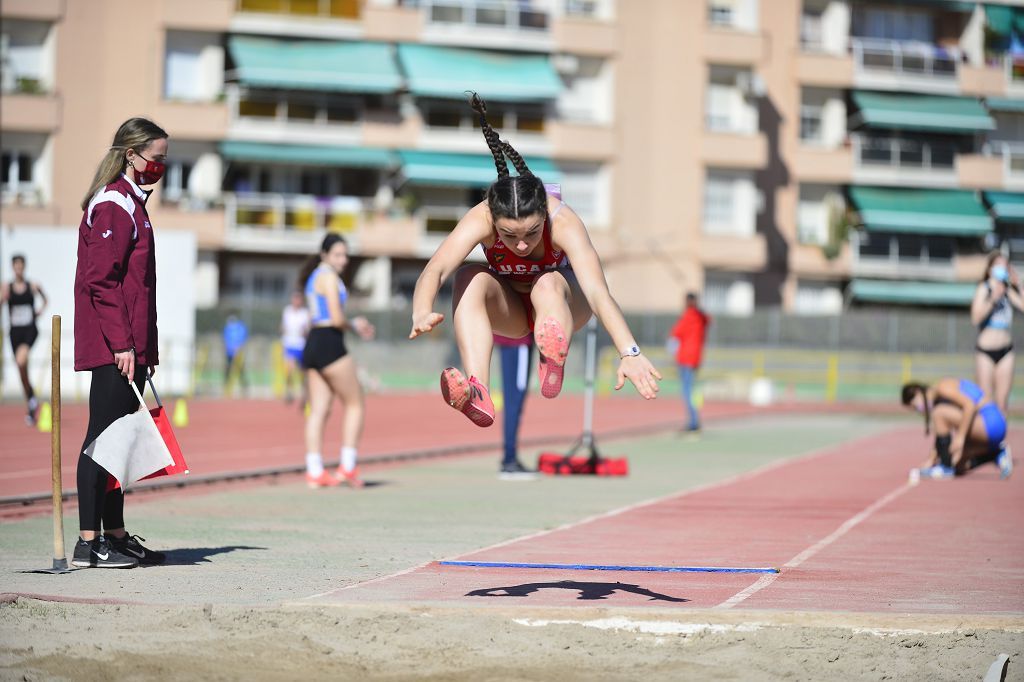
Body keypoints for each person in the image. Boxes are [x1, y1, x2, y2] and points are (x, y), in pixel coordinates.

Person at [408, 93, 661, 427]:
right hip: (512, 309)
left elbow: (598, 292)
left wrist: (630, 352)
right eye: (509, 236)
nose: (523, 245)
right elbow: (436, 268)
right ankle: (477, 389)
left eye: (532, 233)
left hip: (566, 306)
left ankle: (552, 357)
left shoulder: (564, 222)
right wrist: (422, 309)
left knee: (548, 282)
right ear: (494, 220)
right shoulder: (479, 218)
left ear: (544, 212)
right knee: (469, 275)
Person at [72, 117, 170, 568]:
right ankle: (89, 542)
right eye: (156, 158)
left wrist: (145, 345)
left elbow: (138, 288)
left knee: (123, 443)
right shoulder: (113, 203)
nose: (161, 167)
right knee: (102, 440)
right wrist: (123, 345)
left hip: (131, 346)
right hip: (114, 348)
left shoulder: (134, 203)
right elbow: (102, 282)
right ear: (131, 155)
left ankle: (115, 533)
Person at [299, 234, 375, 488]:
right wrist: (356, 324)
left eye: (345, 255)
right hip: (329, 341)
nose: (343, 260)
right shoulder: (329, 278)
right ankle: (348, 466)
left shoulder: (314, 278)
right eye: (337, 255)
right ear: (324, 255)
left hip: (313, 343)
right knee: (355, 403)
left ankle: (314, 470)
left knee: (319, 410)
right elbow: (336, 317)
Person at [900, 378, 1012, 480]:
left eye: (915, 406)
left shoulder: (942, 387)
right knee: (958, 465)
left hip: (992, 422)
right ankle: (995, 453)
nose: (918, 411)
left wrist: (960, 437)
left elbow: (970, 405)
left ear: (918, 393)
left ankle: (945, 467)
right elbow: (941, 437)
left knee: (939, 413)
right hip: (985, 428)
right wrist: (931, 459)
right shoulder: (939, 401)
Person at [971, 252, 1023, 417]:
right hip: (985, 352)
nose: (1003, 267)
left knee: (1002, 404)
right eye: (999, 264)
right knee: (986, 403)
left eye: (1005, 265)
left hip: (1006, 351)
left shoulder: (1008, 291)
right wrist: (993, 299)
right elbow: (975, 318)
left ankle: (999, 442)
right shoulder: (984, 288)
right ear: (990, 268)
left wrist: (1019, 284)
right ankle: (986, 441)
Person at [2, 254, 47, 425]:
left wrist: (40, 311)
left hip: (29, 330)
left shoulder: (32, 285)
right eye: (16, 266)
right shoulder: (7, 287)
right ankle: (32, 402)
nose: (19, 269)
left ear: (24, 267)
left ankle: (32, 401)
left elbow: (45, 299)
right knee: (22, 372)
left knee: (21, 360)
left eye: (21, 266)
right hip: (15, 332)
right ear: (13, 268)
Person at [668, 292, 710, 432]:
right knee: (691, 389)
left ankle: (693, 422)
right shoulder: (701, 317)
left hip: (685, 358)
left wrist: (671, 354)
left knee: (687, 390)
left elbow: (675, 335)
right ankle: (694, 419)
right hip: (695, 358)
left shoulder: (687, 316)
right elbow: (708, 319)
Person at [496, 334, 536, 479]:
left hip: (510, 336)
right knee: (514, 401)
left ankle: (509, 458)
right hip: (519, 340)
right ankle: (510, 460)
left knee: (512, 400)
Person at [281, 290, 311, 406]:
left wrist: (305, 332)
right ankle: (289, 391)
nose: (296, 301)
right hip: (289, 345)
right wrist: (283, 330)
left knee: (303, 373)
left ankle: (304, 396)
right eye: (295, 299)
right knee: (289, 370)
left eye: (298, 299)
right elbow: (283, 325)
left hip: (301, 345)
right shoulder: (287, 311)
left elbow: (308, 328)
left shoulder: (305, 313)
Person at [222, 312, 249, 395]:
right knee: (228, 369)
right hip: (229, 353)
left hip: (239, 353)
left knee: (241, 370)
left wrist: (238, 348)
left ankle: (244, 387)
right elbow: (225, 339)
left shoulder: (240, 327)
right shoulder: (227, 328)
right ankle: (227, 386)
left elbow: (243, 337)